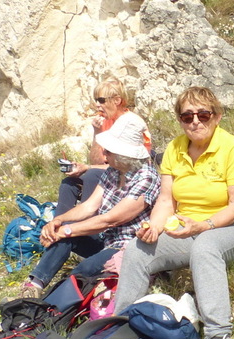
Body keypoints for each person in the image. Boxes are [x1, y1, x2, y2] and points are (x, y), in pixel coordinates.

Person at [113, 87, 234, 339]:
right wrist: (153, 226)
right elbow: (166, 200)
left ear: (216, 116)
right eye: (187, 116)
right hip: (187, 227)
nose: (195, 122)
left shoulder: (233, 148)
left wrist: (202, 226)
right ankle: (122, 329)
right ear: (180, 120)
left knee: (205, 246)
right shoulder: (175, 149)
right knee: (138, 248)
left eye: (203, 114)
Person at [17, 117, 161, 295]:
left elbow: (111, 219)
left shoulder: (146, 177)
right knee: (65, 233)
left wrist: (67, 230)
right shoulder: (113, 172)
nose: (104, 154)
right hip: (107, 240)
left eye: (108, 150)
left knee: (81, 272)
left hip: (128, 247)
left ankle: (49, 305)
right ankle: (35, 285)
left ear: (124, 155)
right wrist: (59, 221)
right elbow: (89, 206)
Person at [54, 78, 153, 217]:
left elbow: (134, 165)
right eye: (96, 100)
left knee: (91, 175)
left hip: (126, 175)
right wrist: (97, 132)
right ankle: (58, 228)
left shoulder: (133, 125)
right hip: (108, 170)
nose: (97, 105)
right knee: (68, 184)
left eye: (101, 100)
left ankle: (86, 229)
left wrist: (87, 168)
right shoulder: (104, 121)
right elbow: (97, 162)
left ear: (116, 101)